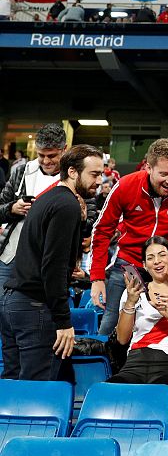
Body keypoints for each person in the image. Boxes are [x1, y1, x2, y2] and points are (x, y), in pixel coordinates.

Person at [0, 145, 103, 380]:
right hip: (34, 306)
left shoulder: (49, 199)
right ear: (73, 172)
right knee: (36, 393)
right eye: (94, 174)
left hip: (12, 303)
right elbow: (53, 267)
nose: (99, 180)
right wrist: (64, 322)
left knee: (13, 384)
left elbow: (53, 256)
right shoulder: (66, 206)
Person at [89, 138, 168, 335]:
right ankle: (107, 366)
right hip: (129, 264)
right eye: (164, 174)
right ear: (148, 168)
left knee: (163, 327)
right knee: (111, 323)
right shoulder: (126, 185)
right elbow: (102, 230)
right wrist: (97, 277)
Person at [111, 236, 168, 402]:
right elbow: (122, 339)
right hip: (134, 363)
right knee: (111, 396)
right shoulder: (133, 293)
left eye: (162, 255)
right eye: (150, 258)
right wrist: (130, 302)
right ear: (145, 265)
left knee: (156, 398)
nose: (157, 261)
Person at [0, 124, 67, 292]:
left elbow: (88, 223)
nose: (45, 161)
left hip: (46, 261)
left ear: (64, 149)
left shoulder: (74, 177)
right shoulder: (22, 172)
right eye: (41, 155)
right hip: (11, 255)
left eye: (52, 155)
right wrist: (12, 208)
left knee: (32, 313)